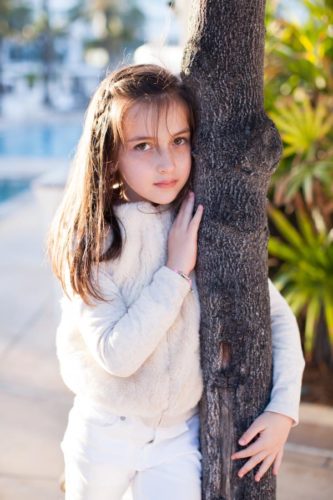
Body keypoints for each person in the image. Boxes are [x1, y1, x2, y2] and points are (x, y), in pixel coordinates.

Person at [48, 64, 305, 500]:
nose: (166, 163)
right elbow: (116, 354)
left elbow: (275, 317)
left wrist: (284, 410)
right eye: (143, 146)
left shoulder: (199, 224)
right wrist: (175, 272)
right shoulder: (92, 239)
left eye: (179, 141)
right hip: (105, 431)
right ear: (110, 154)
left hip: (177, 437)